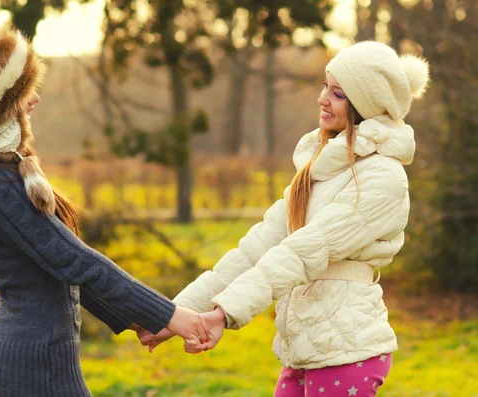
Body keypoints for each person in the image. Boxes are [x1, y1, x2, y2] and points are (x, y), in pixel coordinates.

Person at [0, 29, 210, 397]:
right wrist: (168, 314)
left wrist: (135, 320)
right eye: (20, 94)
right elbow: (74, 260)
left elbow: (56, 266)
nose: (34, 100)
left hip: (34, 359)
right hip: (31, 370)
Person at [139, 41, 430, 397]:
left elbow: (304, 250)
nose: (322, 99)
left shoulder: (382, 178)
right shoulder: (318, 170)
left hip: (347, 351)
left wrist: (224, 314)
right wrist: (174, 313)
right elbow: (255, 250)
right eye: (325, 86)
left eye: (337, 94)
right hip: (306, 350)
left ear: (364, 106)